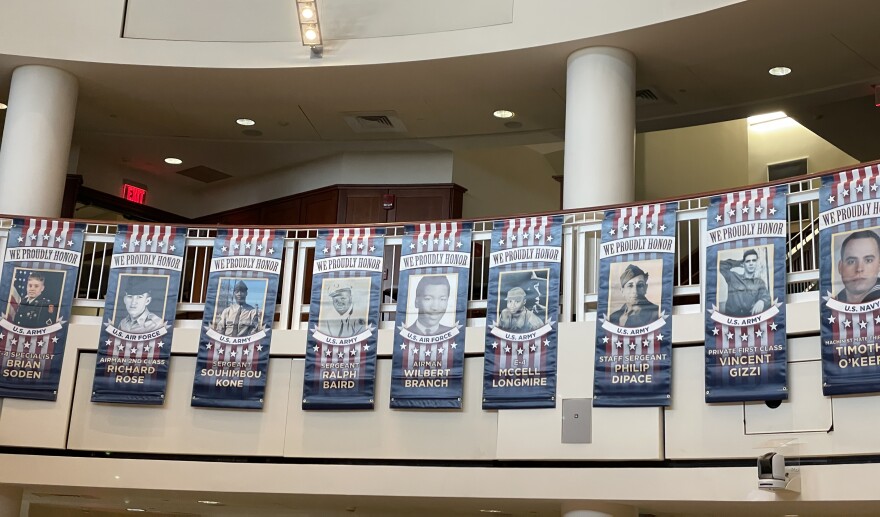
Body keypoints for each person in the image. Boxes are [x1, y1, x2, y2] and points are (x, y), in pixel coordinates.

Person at [719, 249, 771, 317]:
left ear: (756, 263)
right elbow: (719, 265)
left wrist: (762, 301)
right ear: (743, 264)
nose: (751, 263)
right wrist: (738, 263)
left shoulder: (759, 282)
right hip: (732, 320)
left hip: (749, 320)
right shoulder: (733, 277)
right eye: (748, 261)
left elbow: (766, 296)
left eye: (754, 260)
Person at [836, 229, 880, 303]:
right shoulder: (831, 306)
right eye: (851, 261)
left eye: (868, 260)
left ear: (879, 265)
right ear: (840, 267)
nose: (859, 268)